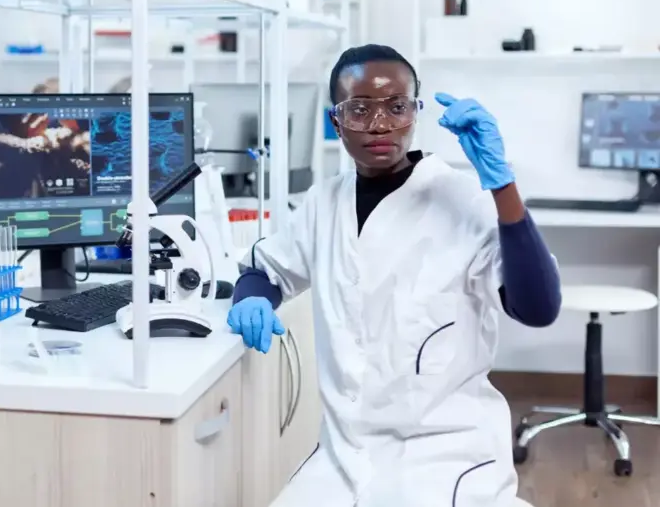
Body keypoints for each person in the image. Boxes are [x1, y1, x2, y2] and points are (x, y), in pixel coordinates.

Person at [227, 44, 561, 507]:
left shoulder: (461, 200)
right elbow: (265, 269)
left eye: (397, 107)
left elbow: (539, 308)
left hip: (447, 455)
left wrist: (503, 186)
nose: (380, 124)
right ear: (336, 121)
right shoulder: (324, 203)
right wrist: (251, 297)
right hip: (346, 455)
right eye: (360, 109)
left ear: (415, 113)